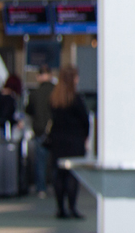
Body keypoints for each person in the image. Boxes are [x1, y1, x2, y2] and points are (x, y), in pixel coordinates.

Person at [47, 66, 91, 219]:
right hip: (74, 141)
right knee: (73, 175)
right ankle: (72, 208)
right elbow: (85, 120)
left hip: (58, 141)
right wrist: (85, 136)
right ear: (73, 79)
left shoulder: (54, 98)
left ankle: (60, 209)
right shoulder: (76, 99)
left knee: (59, 175)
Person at [25, 65, 56, 198]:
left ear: (38, 77)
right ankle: (57, 187)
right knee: (55, 161)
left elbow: (28, 110)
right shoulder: (56, 91)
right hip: (55, 130)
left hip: (39, 130)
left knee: (40, 162)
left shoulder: (34, 93)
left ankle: (41, 188)